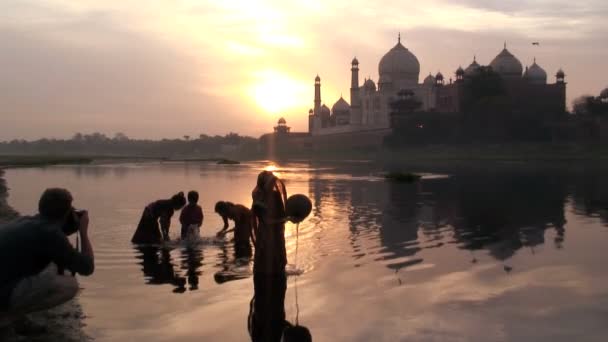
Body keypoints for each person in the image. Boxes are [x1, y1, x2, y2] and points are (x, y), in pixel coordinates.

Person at [0, 188, 94, 330]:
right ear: (65, 213)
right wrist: (83, 231)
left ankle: (10, 314)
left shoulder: (26, 221)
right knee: (69, 286)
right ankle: (7, 319)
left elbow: (53, 243)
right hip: (3, 291)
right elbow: (87, 268)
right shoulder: (50, 233)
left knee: (52, 269)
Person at [249, 170, 290, 341]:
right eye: (270, 183)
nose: (273, 186)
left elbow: (281, 214)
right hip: (267, 234)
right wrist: (284, 220)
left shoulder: (274, 196)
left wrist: (287, 218)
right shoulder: (257, 196)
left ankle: (274, 274)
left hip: (276, 234)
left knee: (276, 263)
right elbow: (264, 219)